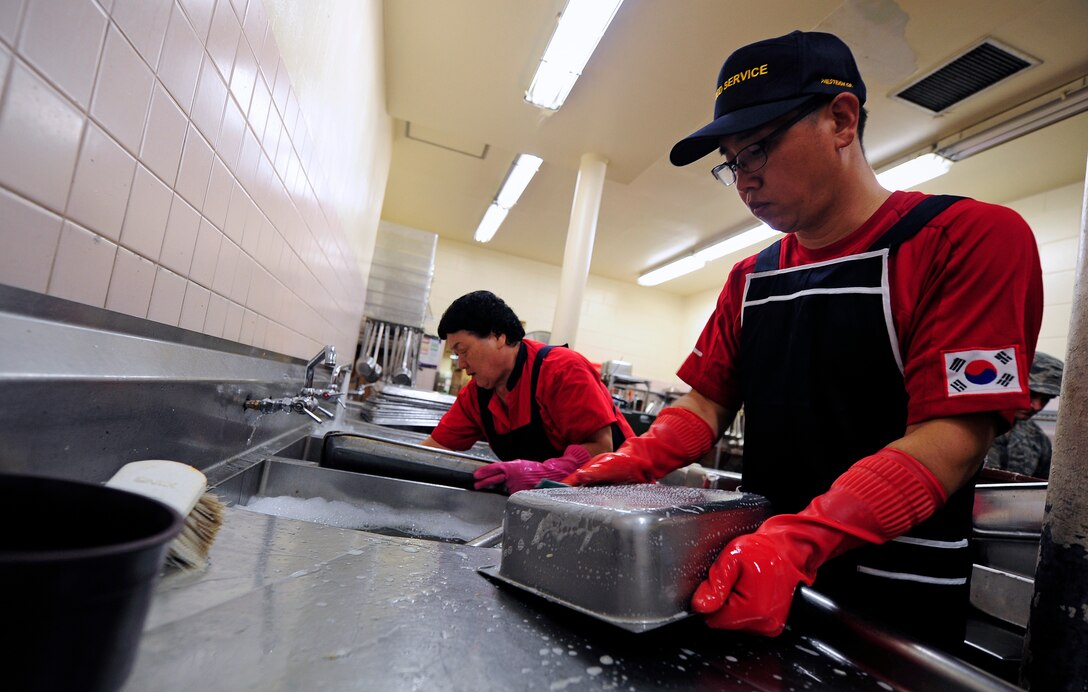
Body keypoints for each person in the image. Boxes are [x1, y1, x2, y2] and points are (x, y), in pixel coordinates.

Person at [564, 30, 1043, 651]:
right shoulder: (750, 279)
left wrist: (800, 542)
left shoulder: (966, 239)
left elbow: (953, 436)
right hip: (753, 576)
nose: (743, 181)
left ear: (842, 120)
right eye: (731, 163)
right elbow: (707, 405)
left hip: (895, 604)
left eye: (756, 151)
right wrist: (631, 460)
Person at [421, 290, 635, 494]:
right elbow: (432, 452)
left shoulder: (561, 369)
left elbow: (601, 447)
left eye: (464, 351)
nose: (461, 364)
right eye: (457, 355)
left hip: (618, 498)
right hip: (556, 504)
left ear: (499, 336)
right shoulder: (476, 396)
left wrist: (540, 473)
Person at [987, 352, 1063, 478]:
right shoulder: (971, 428)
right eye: (1031, 394)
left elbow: (1042, 489)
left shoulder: (1037, 438)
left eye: (1046, 399)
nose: (1037, 406)